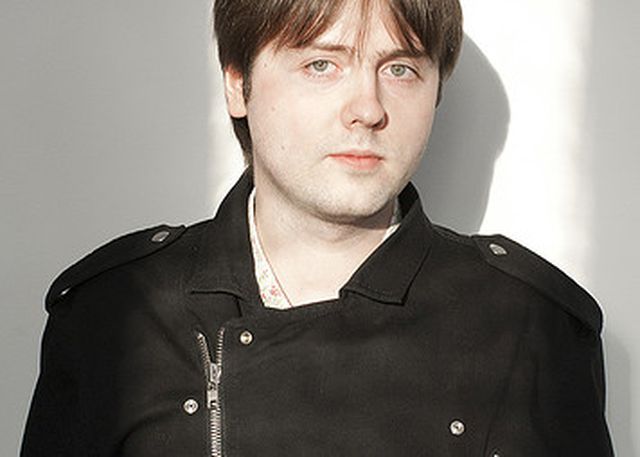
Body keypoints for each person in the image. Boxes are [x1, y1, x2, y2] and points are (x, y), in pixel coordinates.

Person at [21, 0, 614, 455]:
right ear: (237, 83)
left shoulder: (529, 326)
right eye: (322, 64)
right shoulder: (114, 314)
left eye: (400, 68)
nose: (368, 108)